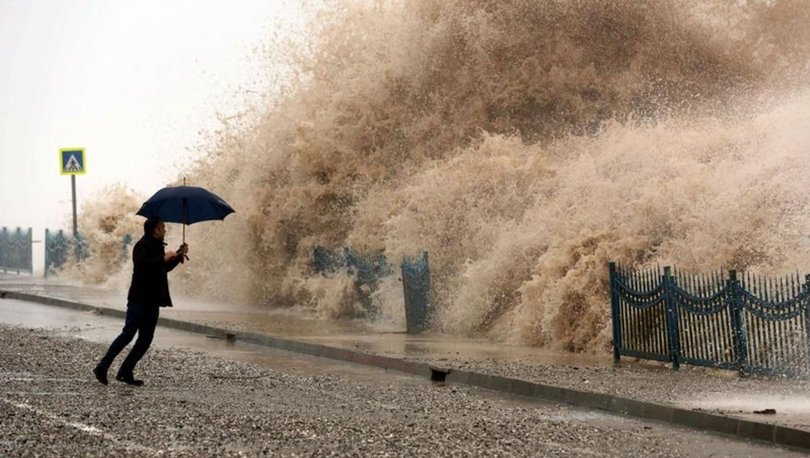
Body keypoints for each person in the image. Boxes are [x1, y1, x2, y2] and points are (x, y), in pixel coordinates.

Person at [93, 218, 188, 386]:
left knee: (145, 339)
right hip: (139, 299)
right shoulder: (141, 246)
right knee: (128, 334)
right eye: (162, 228)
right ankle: (102, 366)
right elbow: (143, 266)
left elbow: (162, 269)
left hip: (153, 301)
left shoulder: (159, 247)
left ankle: (125, 371)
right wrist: (164, 258)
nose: (165, 231)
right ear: (155, 230)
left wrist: (177, 257)